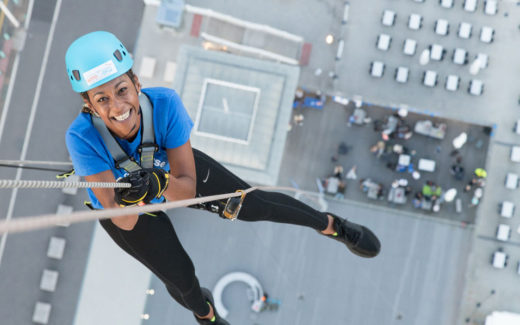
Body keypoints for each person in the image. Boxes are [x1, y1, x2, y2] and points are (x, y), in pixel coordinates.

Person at [64, 31, 381, 324]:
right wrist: (131, 197)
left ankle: (330, 225)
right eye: (102, 99)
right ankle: (207, 316)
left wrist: (159, 182)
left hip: (172, 174)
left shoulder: (164, 104)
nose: (118, 106)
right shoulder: (82, 138)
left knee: (257, 206)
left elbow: (186, 189)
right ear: (89, 104)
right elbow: (122, 219)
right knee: (180, 278)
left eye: (122, 90)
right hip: (132, 209)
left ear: (136, 82)